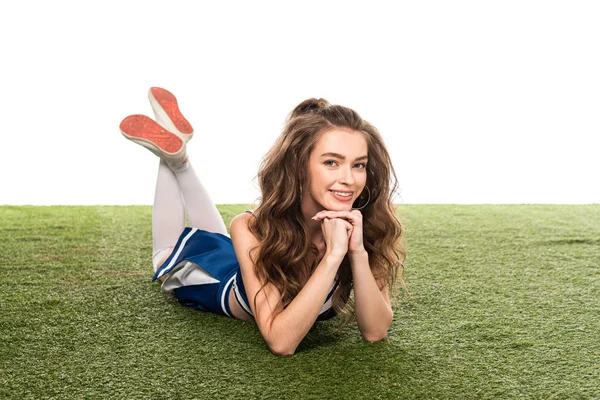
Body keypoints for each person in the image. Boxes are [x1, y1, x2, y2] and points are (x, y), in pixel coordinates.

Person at [120, 87, 406, 356]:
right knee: (166, 256)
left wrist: (356, 252)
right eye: (331, 162)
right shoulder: (251, 227)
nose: (349, 179)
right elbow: (281, 341)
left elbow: (375, 330)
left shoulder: (364, 226)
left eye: (359, 165)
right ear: (299, 165)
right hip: (213, 281)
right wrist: (333, 256)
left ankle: (179, 158)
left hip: (243, 258)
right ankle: (174, 159)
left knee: (218, 238)